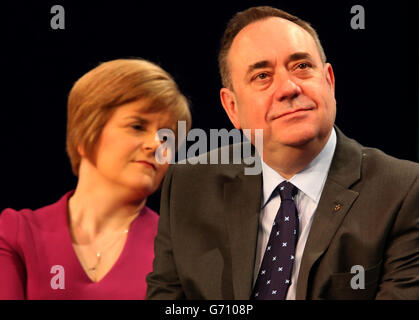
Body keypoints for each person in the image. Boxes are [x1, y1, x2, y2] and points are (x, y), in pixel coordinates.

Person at [146, 6, 419, 300]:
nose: (288, 88)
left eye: (302, 66)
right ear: (232, 108)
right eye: (262, 75)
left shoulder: (404, 191)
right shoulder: (189, 186)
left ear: (329, 81)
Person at [0, 58, 191, 299]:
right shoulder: (16, 232)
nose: (156, 145)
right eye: (137, 126)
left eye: (167, 137)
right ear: (85, 133)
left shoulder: (180, 251)